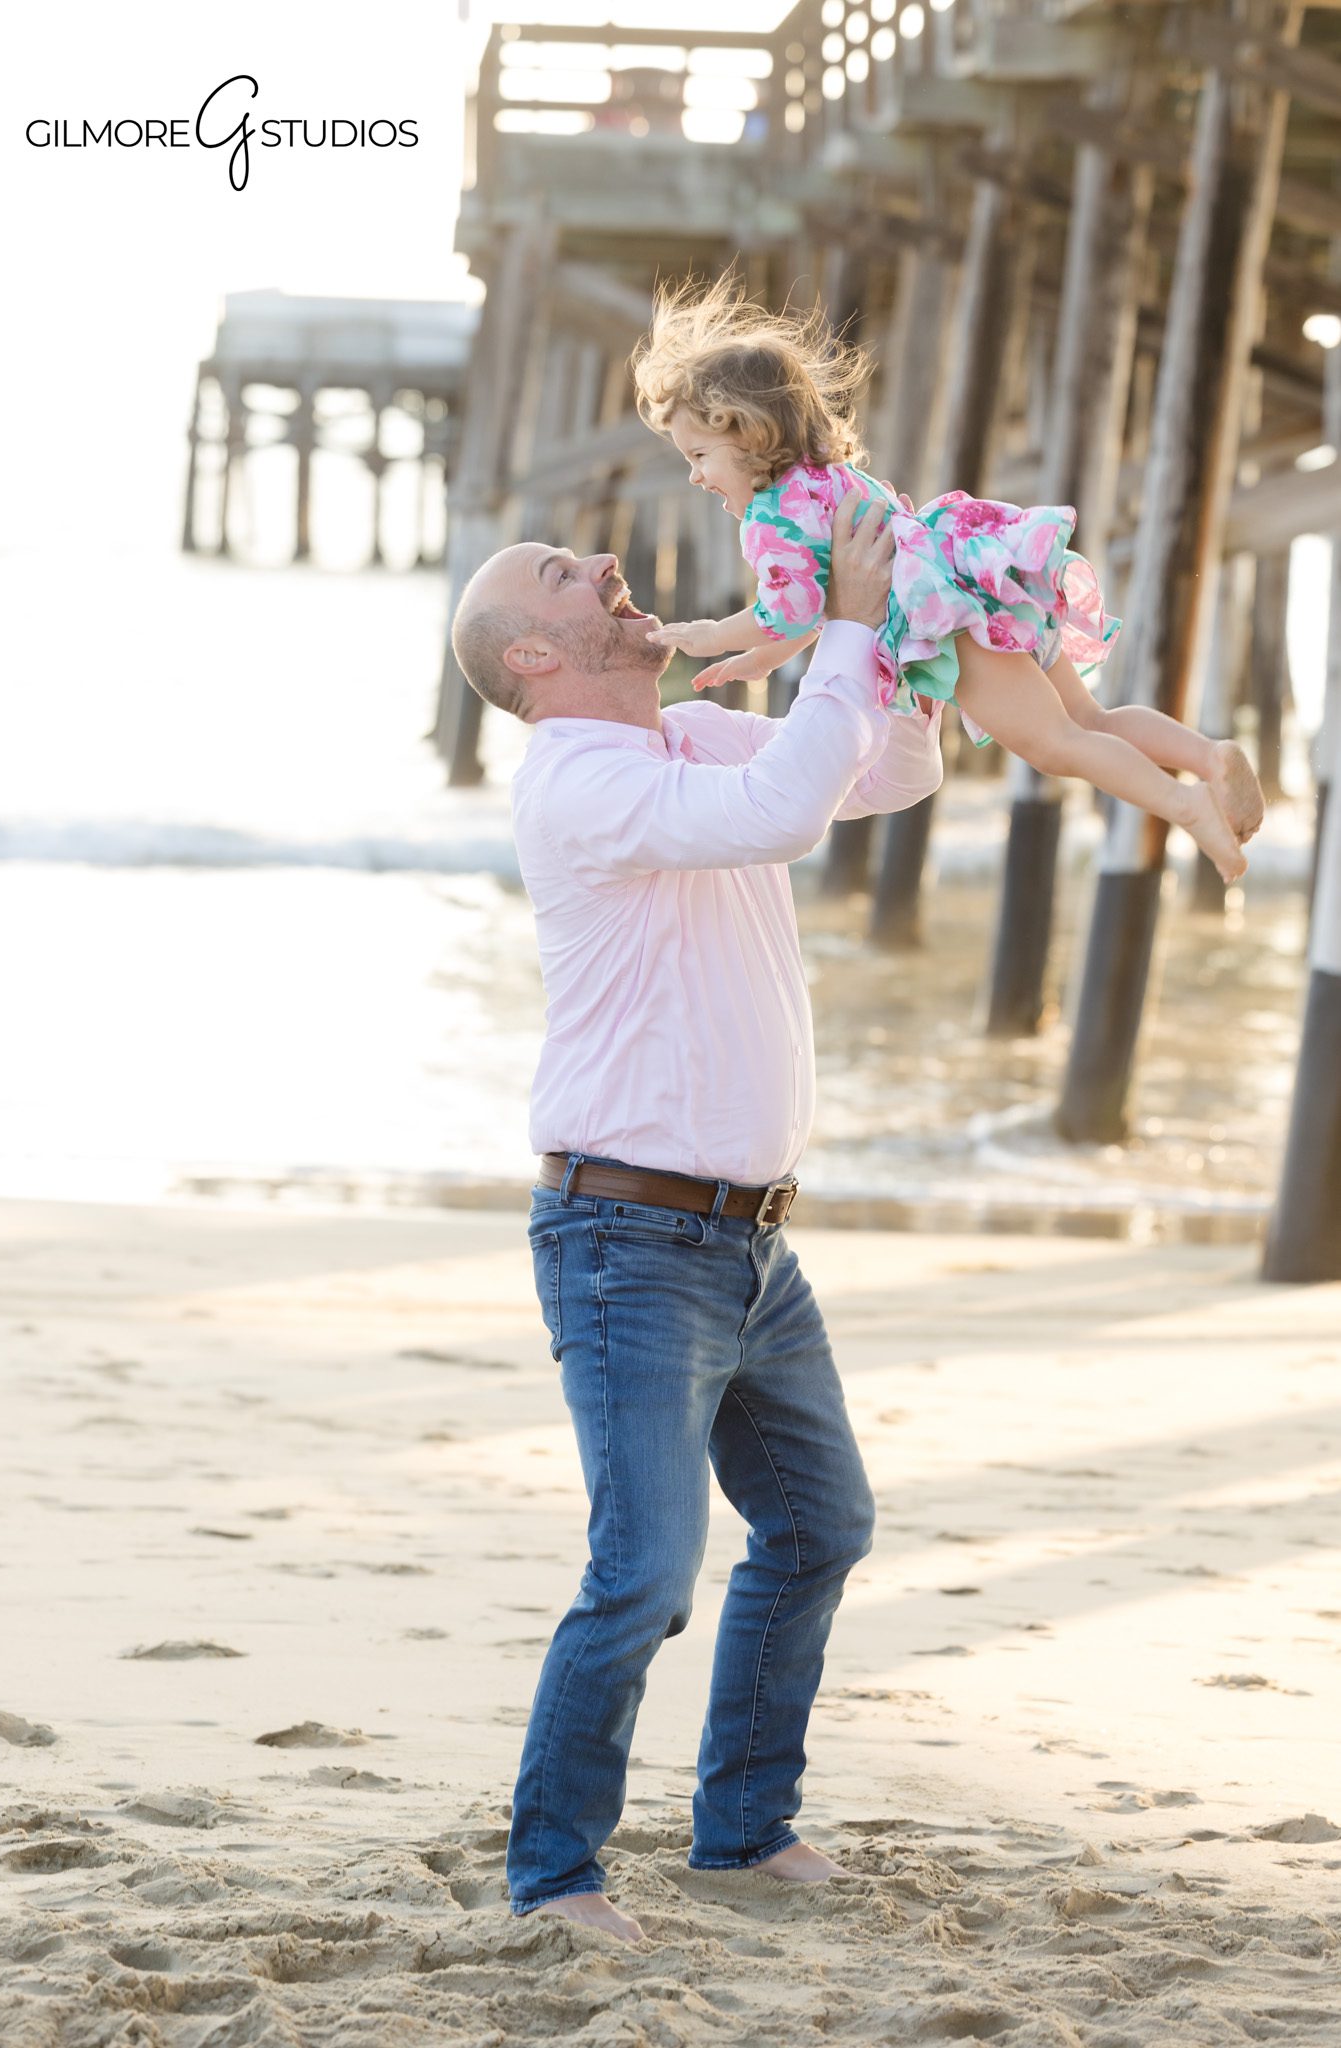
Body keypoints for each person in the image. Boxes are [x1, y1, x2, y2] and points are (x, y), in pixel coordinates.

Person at [450, 491, 942, 1943]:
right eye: (566, 575)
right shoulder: (579, 780)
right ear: (533, 660)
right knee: (646, 1574)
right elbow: (787, 809)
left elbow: (883, 773)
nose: (608, 567)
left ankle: (740, 1828)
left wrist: (872, 634)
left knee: (818, 1526)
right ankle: (553, 1875)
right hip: (627, 1242)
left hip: (748, 1244)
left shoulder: (689, 737)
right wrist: (839, 634)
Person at [631, 272, 1265, 885]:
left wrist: (717, 635)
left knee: (1056, 746)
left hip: (952, 628)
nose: (694, 476)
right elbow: (830, 603)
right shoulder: (828, 477)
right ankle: (1208, 756)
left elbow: (790, 611)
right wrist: (762, 663)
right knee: (1091, 721)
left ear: (748, 433)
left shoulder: (773, 519)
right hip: (987, 587)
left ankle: (1190, 811)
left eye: (699, 456)